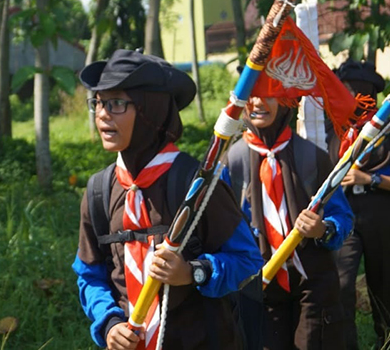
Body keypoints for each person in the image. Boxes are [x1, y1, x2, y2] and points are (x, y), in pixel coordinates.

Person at [72, 49, 263, 350]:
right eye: (98, 102)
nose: (103, 113)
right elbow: (89, 274)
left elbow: (248, 261)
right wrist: (109, 323)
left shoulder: (197, 184)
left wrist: (192, 272)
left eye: (117, 103)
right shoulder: (99, 191)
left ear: (152, 110)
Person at [221, 95, 353, 350]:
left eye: (269, 95)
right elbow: (220, 232)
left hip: (311, 283)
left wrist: (322, 229)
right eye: (251, 95)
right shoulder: (231, 163)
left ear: (285, 102)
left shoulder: (312, 156)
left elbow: (344, 217)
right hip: (259, 288)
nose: (257, 103)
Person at [331, 60, 390, 349]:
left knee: (383, 285)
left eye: (348, 89)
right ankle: (346, 343)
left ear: (364, 91)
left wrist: (370, 179)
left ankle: (388, 340)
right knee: (342, 284)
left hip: (382, 213)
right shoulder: (336, 125)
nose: (343, 95)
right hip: (344, 214)